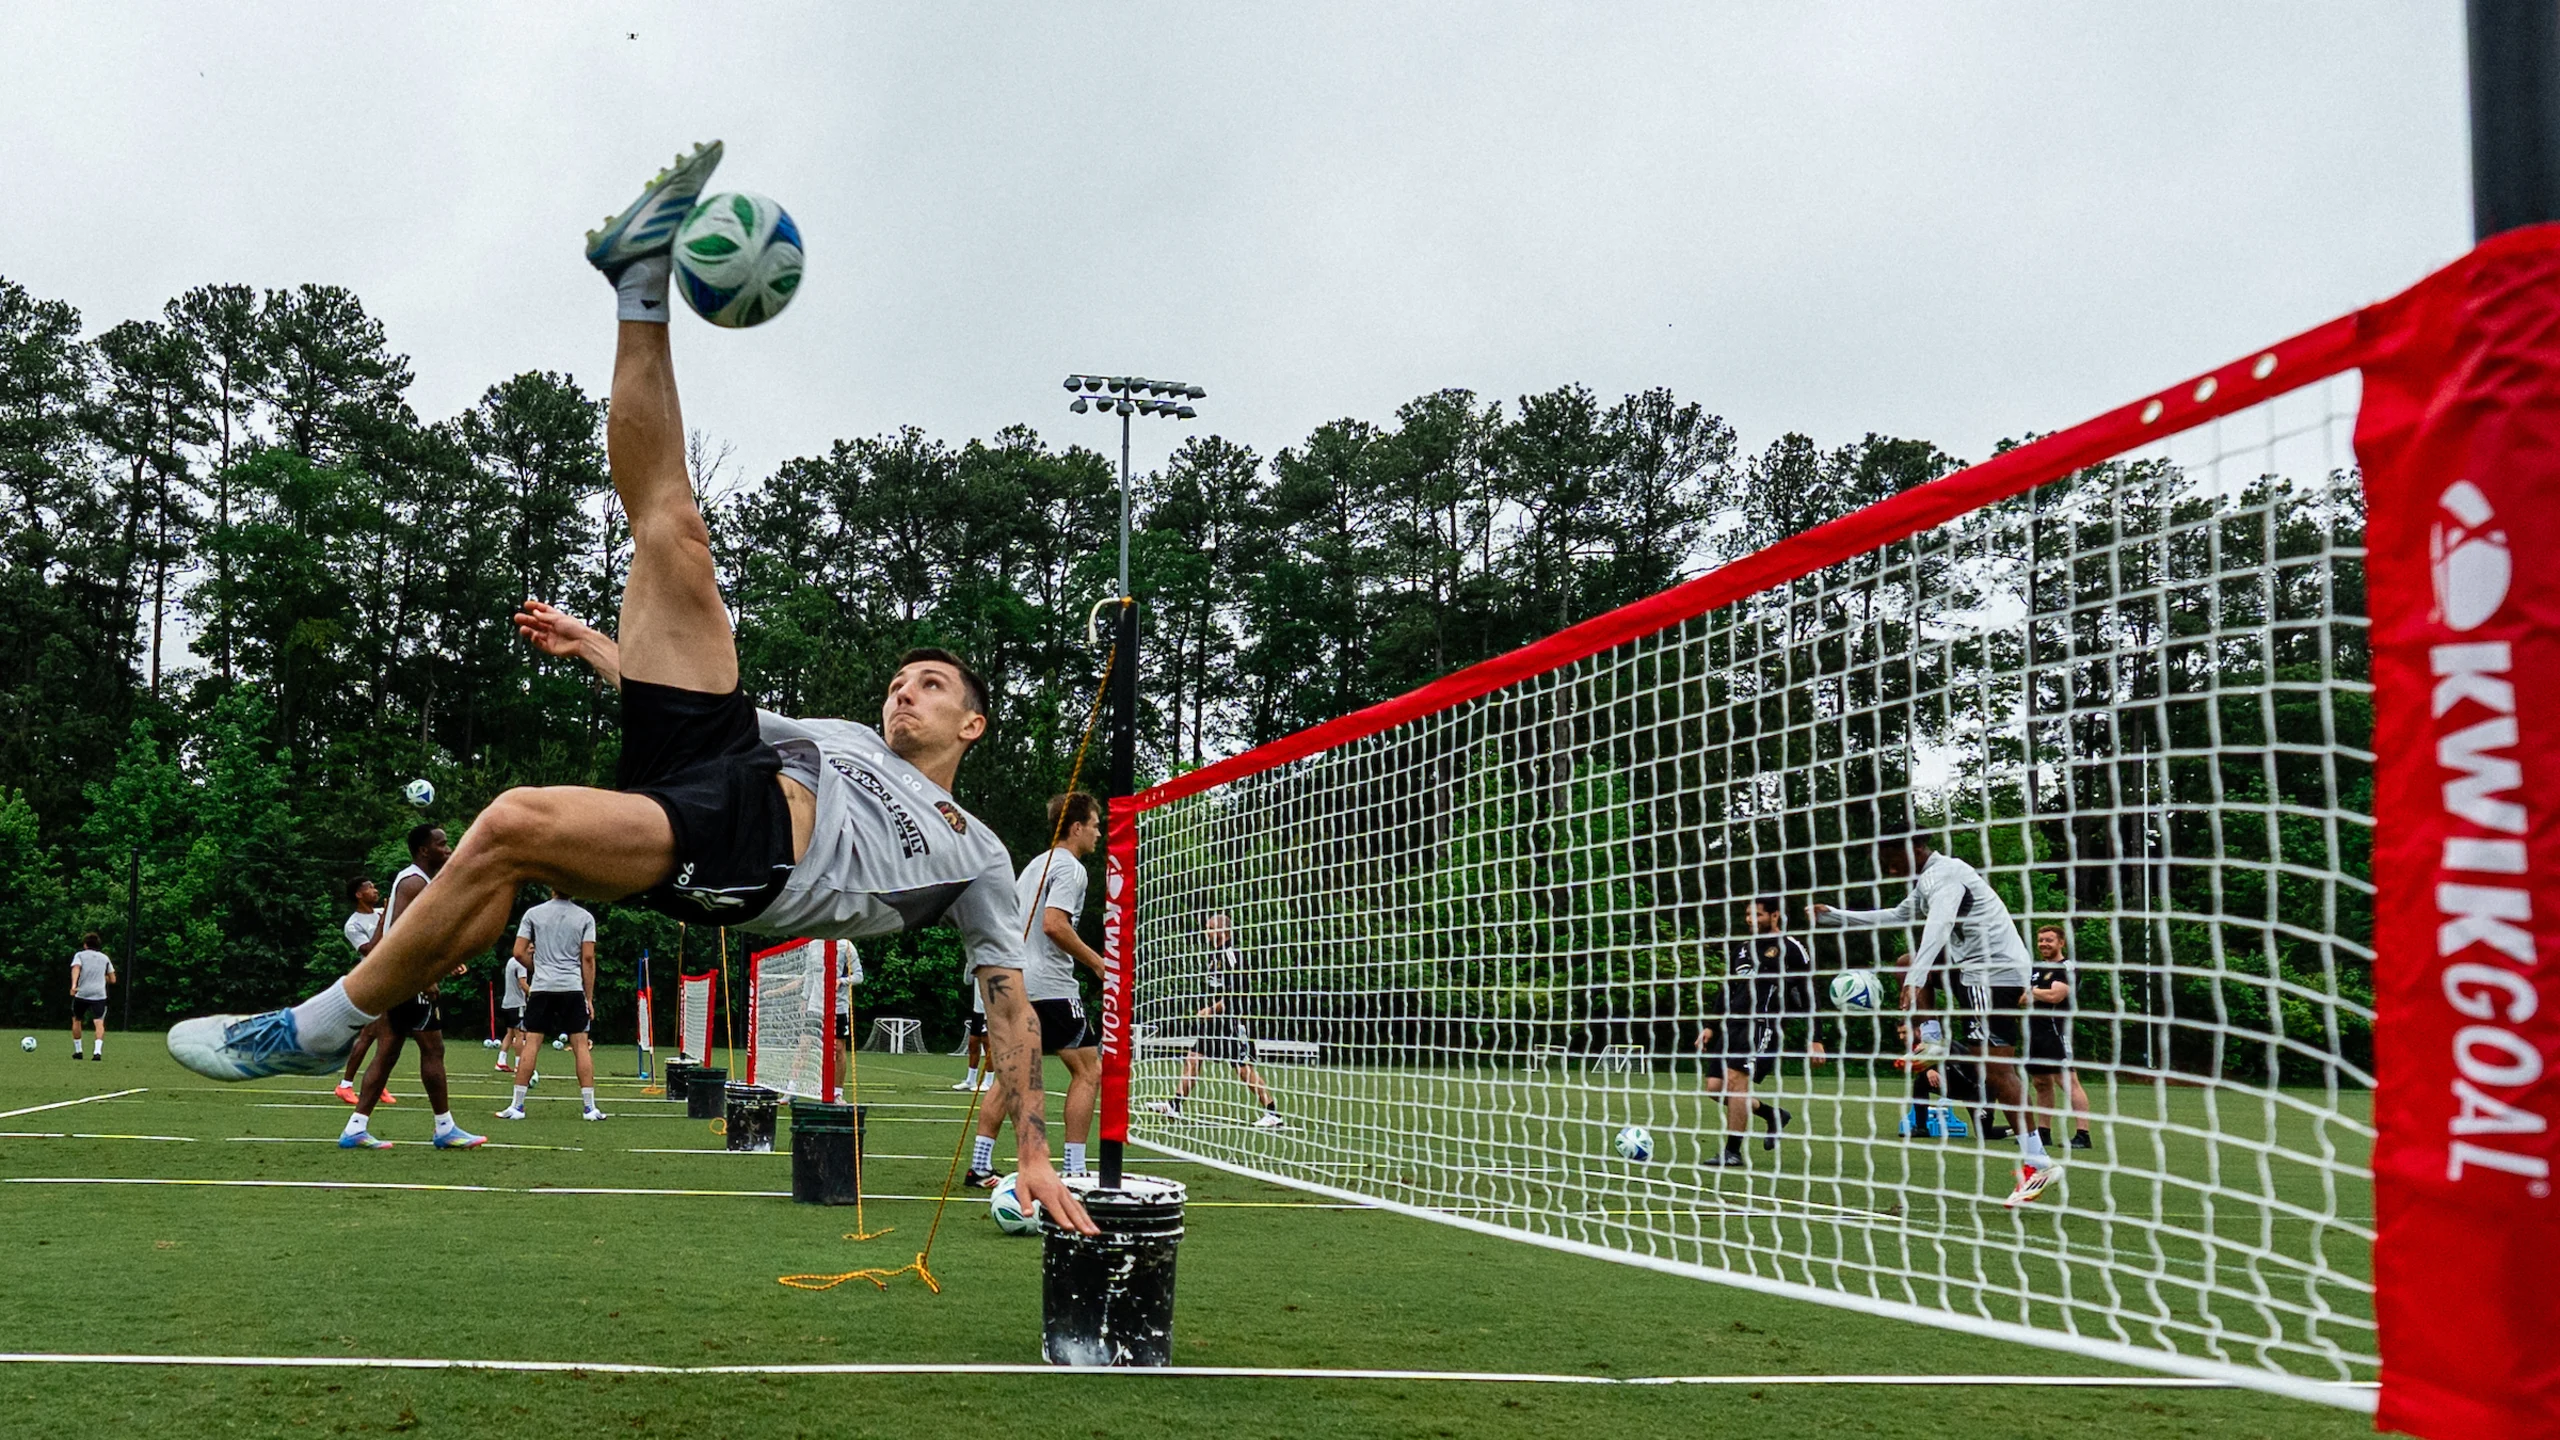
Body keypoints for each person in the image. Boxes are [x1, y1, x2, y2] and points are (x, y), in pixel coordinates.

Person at [166, 142, 1092, 1234]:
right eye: (898, 678)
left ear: (972, 723)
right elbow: (714, 709)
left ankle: (316, 1027)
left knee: (514, 825)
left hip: (754, 853)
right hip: (724, 760)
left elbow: (1010, 1003)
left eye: (930, 686)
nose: (904, 692)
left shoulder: (978, 853)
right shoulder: (845, 733)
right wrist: (596, 647)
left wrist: (1034, 1152)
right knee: (673, 528)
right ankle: (640, 283)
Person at [1810, 831, 2057, 1208]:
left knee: (1995, 1070)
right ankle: (1931, 1039)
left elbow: (1939, 927)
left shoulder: (1946, 876)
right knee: (1906, 963)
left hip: (1992, 975)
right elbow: (1898, 914)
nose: (1890, 869)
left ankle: (2037, 1163)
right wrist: (1835, 916)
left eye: (1893, 860)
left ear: (1915, 848)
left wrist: (1917, 977)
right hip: (1975, 970)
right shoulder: (1929, 878)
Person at [967, 793, 1107, 1187]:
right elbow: (1054, 924)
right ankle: (1075, 1168)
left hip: (1014, 980)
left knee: (1010, 1074)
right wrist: (1097, 962)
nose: (1099, 834)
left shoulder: (1034, 865)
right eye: (1095, 825)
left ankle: (980, 1166)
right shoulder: (1071, 868)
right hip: (1050, 986)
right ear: (1076, 827)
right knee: (1088, 1070)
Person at [340, 825, 486, 1151]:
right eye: (441, 844)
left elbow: (416, 932)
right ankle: (444, 1128)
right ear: (424, 850)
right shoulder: (414, 882)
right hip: (405, 979)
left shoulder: (418, 881)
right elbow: (403, 935)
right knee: (432, 1049)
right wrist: (424, 978)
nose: (448, 849)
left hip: (396, 977)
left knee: (389, 1051)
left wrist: (445, 962)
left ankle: (356, 1127)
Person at [1692, 898, 1824, 1168]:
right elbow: (1728, 988)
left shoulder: (1791, 948)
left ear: (1775, 915)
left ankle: (1732, 1151)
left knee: (1736, 1082)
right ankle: (1772, 1115)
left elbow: (1809, 993)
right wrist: (1710, 1026)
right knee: (1715, 1088)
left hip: (1762, 1025)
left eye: (1758, 915)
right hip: (1732, 1026)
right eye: (1748, 915)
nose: (1751, 920)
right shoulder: (1742, 949)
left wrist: (1816, 1038)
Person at [1144, 913, 1285, 1127]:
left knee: (1243, 1068)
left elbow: (1238, 993)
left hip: (1230, 1022)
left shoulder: (1231, 955)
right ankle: (1175, 1105)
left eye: (1210, 928)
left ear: (1222, 930)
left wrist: (1212, 1009)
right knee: (1193, 1058)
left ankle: (1273, 1113)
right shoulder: (1214, 956)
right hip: (1214, 1024)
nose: (1206, 932)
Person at [497, 887, 603, 1122]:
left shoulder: (533, 914)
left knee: (532, 1043)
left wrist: (539, 968)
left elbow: (518, 952)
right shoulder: (585, 917)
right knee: (581, 1045)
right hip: (572, 987)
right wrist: (588, 998)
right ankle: (590, 1108)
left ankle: (517, 1106)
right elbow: (588, 958)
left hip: (542, 987)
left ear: (552, 887)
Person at [2023, 923, 2094, 1152]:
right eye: (2041, 940)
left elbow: (2055, 996)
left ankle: (2083, 1134)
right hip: (2035, 1032)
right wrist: (2034, 993)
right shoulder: (2035, 969)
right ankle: (2043, 1132)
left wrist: (2032, 991)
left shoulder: (2066, 967)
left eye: (2049, 940)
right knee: (2041, 1082)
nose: (2044, 944)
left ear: (2061, 942)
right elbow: (2020, 999)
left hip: (2056, 1030)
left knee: (2067, 1081)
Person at [335, 878, 398, 1106]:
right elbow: (370, 950)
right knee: (370, 1035)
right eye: (369, 888)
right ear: (358, 895)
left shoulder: (382, 912)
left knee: (383, 1035)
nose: (375, 890)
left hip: (390, 980)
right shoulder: (353, 924)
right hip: (372, 981)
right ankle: (346, 1085)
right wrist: (383, 921)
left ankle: (375, 1082)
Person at [67, 932, 114, 1061]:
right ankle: (97, 1052)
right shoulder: (105, 958)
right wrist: (101, 978)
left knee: (77, 1019)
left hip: (82, 992)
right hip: (99, 994)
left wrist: (74, 985)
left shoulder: (80, 955)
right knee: (99, 1022)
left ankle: (78, 1051)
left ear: (85, 945)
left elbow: (76, 968)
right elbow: (112, 979)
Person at [952, 972, 993, 1092]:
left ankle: (988, 1081)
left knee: (988, 1044)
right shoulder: (976, 965)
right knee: (973, 1043)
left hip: (990, 1010)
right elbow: (967, 980)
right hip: (978, 1010)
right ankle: (970, 1080)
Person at [495, 947, 531, 1076]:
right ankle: (518, 1064)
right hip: (517, 1004)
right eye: (531, 948)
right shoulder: (521, 964)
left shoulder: (511, 961)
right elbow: (523, 983)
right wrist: (534, 995)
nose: (532, 951)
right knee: (519, 1035)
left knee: (509, 1033)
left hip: (507, 1003)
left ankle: (501, 1061)